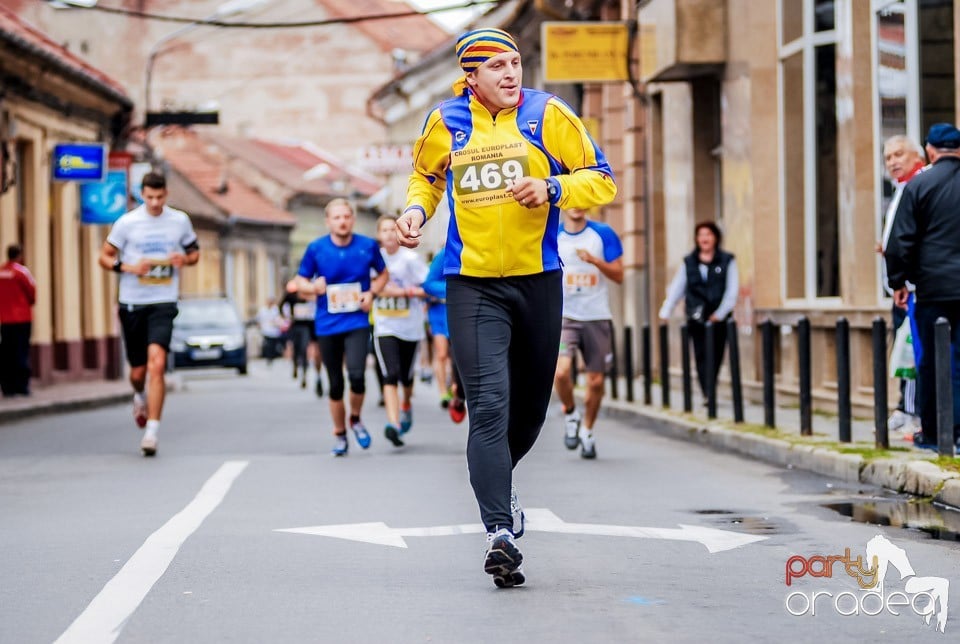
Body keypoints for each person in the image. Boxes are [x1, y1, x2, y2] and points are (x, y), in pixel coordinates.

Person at [395, 27, 616, 588]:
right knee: (488, 404)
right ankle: (499, 531)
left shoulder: (547, 115)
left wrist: (554, 189)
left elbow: (603, 180)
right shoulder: (445, 121)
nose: (511, 74)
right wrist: (416, 215)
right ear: (471, 77)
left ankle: (499, 482)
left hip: (538, 281)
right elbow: (426, 179)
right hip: (470, 284)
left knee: (531, 409)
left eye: (515, 62)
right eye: (496, 67)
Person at [98, 172, 199, 456]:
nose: (155, 203)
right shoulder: (127, 223)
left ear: (166, 195)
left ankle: (152, 431)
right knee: (138, 371)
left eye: (160, 197)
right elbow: (103, 256)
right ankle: (139, 395)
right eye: (149, 197)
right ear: (142, 194)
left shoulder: (179, 221)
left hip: (163, 301)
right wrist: (128, 268)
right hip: (132, 301)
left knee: (158, 363)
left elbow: (195, 253)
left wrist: (184, 259)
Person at [886, 123, 960, 451]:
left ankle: (934, 432)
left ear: (929, 150)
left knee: (932, 359)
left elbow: (900, 241)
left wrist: (898, 282)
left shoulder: (919, 185)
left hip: (934, 289)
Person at [294, 198, 388, 456]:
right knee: (335, 384)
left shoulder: (367, 246)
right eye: (337, 218)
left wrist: (372, 294)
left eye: (346, 216)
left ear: (352, 219)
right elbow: (298, 281)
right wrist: (312, 287)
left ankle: (355, 418)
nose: (342, 221)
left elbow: (383, 274)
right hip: (327, 324)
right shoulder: (316, 249)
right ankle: (340, 434)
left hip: (357, 320)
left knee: (357, 376)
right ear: (328, 221)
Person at [553, 207, 624, 459]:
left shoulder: (602, 234)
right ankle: (571, 413)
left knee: (596, 381)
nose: (577, 205)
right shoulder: (554, 234)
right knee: (561, 372)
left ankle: (587, 430)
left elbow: (619, 275)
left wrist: (594, 261)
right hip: (564, 316)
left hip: (596, 315)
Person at [877, 135, 925, 436]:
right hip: (899, 287)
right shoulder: (900, 190)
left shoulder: (917, 186)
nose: (893, 162)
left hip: (910, 288)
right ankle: (905, 409)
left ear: (917, 155)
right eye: (888, 157)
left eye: (898, 155)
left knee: (912, 354)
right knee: (906, 353)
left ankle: (912, 414)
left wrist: (901, 279)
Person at [658, 221, 738, 401]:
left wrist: (720, 314)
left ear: (716, 237)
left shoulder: (727, 260)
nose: (705, 238)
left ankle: (711, 387)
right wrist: (666, 311)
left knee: (716, 354)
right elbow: (677, 288)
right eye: (701, 235)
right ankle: (707, 392)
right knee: (700, 354)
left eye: (708, 234)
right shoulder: (689, 262)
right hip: (696, 317)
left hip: (719, 318)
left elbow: (732, 291)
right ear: (696, 239)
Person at [372, 215, 429, 447]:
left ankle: (406, 404)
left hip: (410, 326)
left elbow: (428, 287)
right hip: (385, 326)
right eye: (383, 230)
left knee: (406, 376)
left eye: (391, 229)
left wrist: (405, 292)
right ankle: (393, 424)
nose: (387, 234)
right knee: (390, 374)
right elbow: (368, 287)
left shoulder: (410, 259)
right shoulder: (374, 260)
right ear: (378, 235)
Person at [422, 248, 466, 423]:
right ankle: (443, 393)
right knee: (441, 354)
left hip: (462, 313)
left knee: (459, 358)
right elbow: (429, 284)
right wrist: (455, 289)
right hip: (440, 313)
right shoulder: (445, 254)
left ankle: (456, 389)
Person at [0, 244, 36, 397]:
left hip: (5, 319)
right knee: (21, 352)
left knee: (7, 353)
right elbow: (32, 292)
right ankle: (22, 386)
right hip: (22, 319)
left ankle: (7, 387)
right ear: (19, 255)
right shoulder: (22, 272)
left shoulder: (1, 272)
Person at [281, 279, 322, 395]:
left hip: (312, 325)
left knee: (314, 352)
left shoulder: (317, 291)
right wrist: (287, 317)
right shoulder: (292, 294)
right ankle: (297, 367)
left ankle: (317, 376)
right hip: (297, 325)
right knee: (298, 348)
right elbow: (282, 305)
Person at [257, 296, 287, 365]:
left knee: (272, 345)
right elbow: (259, 319)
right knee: (268, 345)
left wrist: (278, 323)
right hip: (266, 331)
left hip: (274, 331)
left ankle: (272, 357)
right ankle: (268, 358)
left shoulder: (275, 310)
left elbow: (279, 319)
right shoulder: (263, 310)